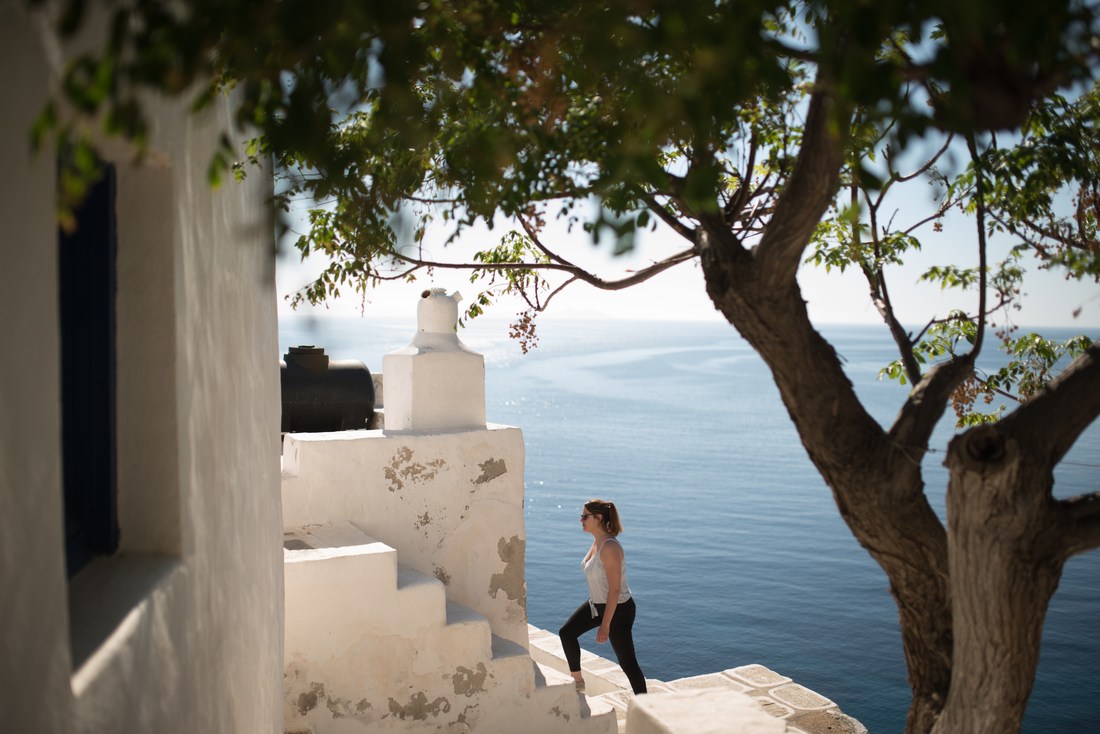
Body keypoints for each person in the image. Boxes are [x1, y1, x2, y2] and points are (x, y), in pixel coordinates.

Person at [558, 498, 647, 695]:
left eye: (584, 516)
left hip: (619, 610)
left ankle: (645, 704)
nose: (581, 520)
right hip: (597, 605)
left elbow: (614, 590)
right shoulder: (596, 543)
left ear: (598, 518)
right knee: (567, 633)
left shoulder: (610, 547)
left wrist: (605, 625)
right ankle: (578, 682)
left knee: (627, 663)